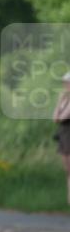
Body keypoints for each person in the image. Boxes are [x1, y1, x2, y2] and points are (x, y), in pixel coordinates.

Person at [53, 72, 70, 204]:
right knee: (67, 169)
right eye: (65, 82)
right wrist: (60, 101)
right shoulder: (65, 100)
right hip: (64, 134)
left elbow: (63, 117)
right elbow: (55, 118)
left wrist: (59, 102)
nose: (65, 85)